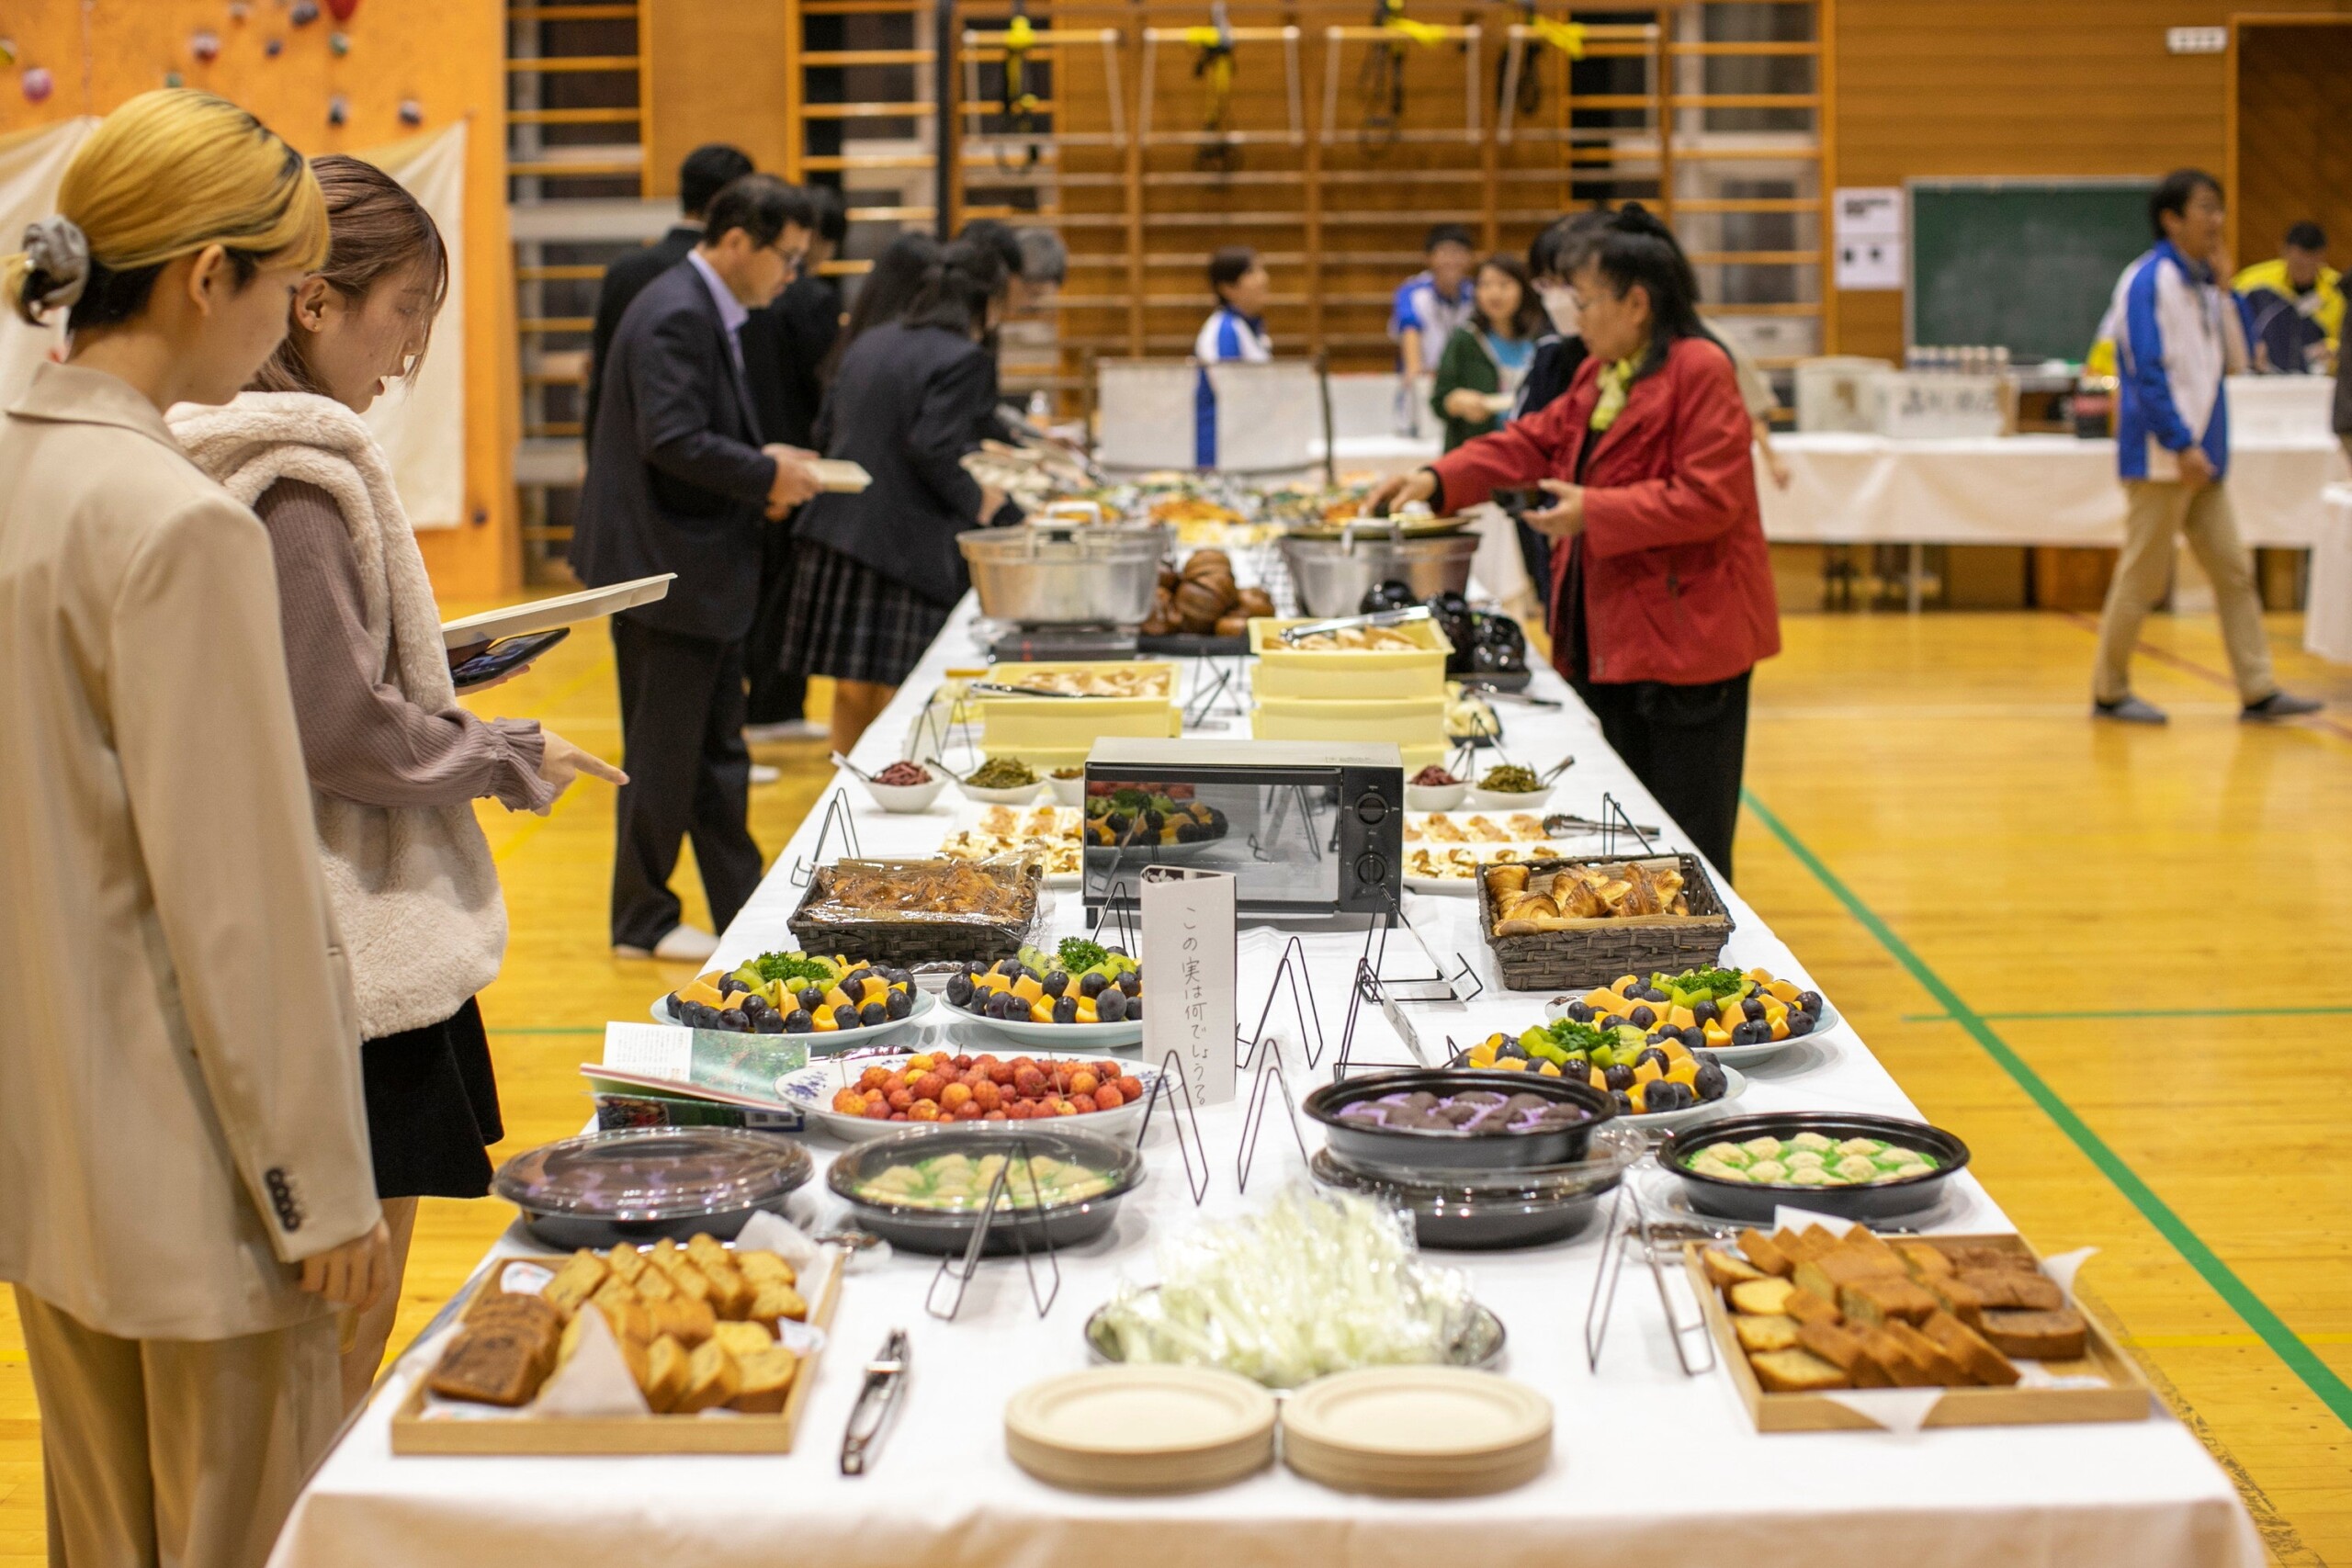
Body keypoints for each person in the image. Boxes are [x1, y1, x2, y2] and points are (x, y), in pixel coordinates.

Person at [167, 155, 626, 1412]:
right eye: (404, 311)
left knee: (292, 1339)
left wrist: (430, 673)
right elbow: (338, 727)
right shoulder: (297, 477)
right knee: (335, 1336)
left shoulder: (195, 449)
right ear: (310, 301)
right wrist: (503, 749)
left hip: (274, 942)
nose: (411, 351)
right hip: (352, 958)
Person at [0, 89, 388, 1568]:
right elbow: (238, 902)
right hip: (206, 1170)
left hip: (51, 1149)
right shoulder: (178, 521)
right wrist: (318, 1180)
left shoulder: (22, 469)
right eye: (289, 291)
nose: (288, 330)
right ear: (202, 277)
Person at [1366, 206, 1780, 881]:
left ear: (1637, 302)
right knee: (1621, 823)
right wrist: (1439, 476)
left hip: (1688, 639)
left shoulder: (1700, 368)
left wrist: (1597, 510)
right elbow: (1530, 440)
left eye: (1584, 300)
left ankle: (1697, 965)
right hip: (1613, 628)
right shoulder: (1602, 370)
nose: (1575, 316)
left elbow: (1711, 499)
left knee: (1687, 838)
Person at [573, 174, 823, 961]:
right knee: (664, 751)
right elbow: (673, 438)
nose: (792, 273)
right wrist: (764, 475)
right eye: (786, 256)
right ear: (739, 241)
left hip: (691, 565)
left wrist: (763, 462)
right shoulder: (678, 312)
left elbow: (692, 431)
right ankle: (640, 920)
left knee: (716, 752)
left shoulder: (700, 306)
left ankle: (740, 911)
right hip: (665, 565)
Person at [2093, 170, 2321, 725]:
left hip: (2205, 459)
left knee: (2233, 572)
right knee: (2143, 577)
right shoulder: (2146, 282)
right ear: (2172, 219)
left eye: (2219, 209)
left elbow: (2241, 360)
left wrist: (2226, 291)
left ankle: (2257, 688)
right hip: (2162, 458)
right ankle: (2109, 690)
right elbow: (2146, 372)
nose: (2217, 221)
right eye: (2206, 209)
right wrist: (2179, 443)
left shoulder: (2201, 285)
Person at [778, 240, 1012, 753]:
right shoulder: (965, 357)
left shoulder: (870, 341)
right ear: (988, 304)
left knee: (852, 687)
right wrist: (980, 499)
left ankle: (848, 790)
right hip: (904, 541)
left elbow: (826, 426)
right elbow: (932, 445)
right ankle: (889, 790)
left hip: (839, 528)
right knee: (904, 690)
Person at [741, 182, 848, 742]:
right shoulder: (810, 300)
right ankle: (774, 707)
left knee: (753, 587)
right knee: (786, 590)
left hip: (749, 453)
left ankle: (757, 708)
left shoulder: (747, 300)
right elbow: (824, 384)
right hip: (793, 456)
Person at [586, 142, 754, 453]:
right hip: (703, 456)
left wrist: (594, 456)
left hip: (627, 449)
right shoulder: (738, 276)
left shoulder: (626, 271)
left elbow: (603, 374)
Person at [1430, 253, 1545, 451]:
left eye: (1504, 284)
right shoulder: (1465, 339)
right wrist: (1457, 401)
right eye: (1485, 285)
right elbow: (1439, 400)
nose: (1494, 293)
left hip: (1528, 452)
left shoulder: (1540, 339)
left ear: (1523, 289)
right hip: (1476, 454)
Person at [1391, 222, 1476, 434]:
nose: (1451, 260)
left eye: (1458, 253)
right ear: (1429, 258)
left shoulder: (1475, 293)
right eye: (1444, 253)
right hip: (1424, 388)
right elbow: (1409, 328)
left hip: (1464, 392)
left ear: (1469, 258)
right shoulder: (1413, 292)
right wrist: (1416, 371)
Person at [1193, 244, 1272, 467]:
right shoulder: (1224, 331)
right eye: (1252, 272)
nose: (1263, 279)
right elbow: (1235, 397)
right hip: (1222, 455)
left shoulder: (1249, 328)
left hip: (1246, 448)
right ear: (1228, 287)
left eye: (1262, 269)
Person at [2233, 220, 2341, 375]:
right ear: (2284, 251)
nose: (2304, 270)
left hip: (2319, 377)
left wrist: (2331, 348)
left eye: (2311, 264)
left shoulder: (2338, 290)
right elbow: (2227, 316)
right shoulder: (2252, 282)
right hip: (2261, 373)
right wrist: (2248, 344)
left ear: (2322, 257)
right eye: (2298, 263)